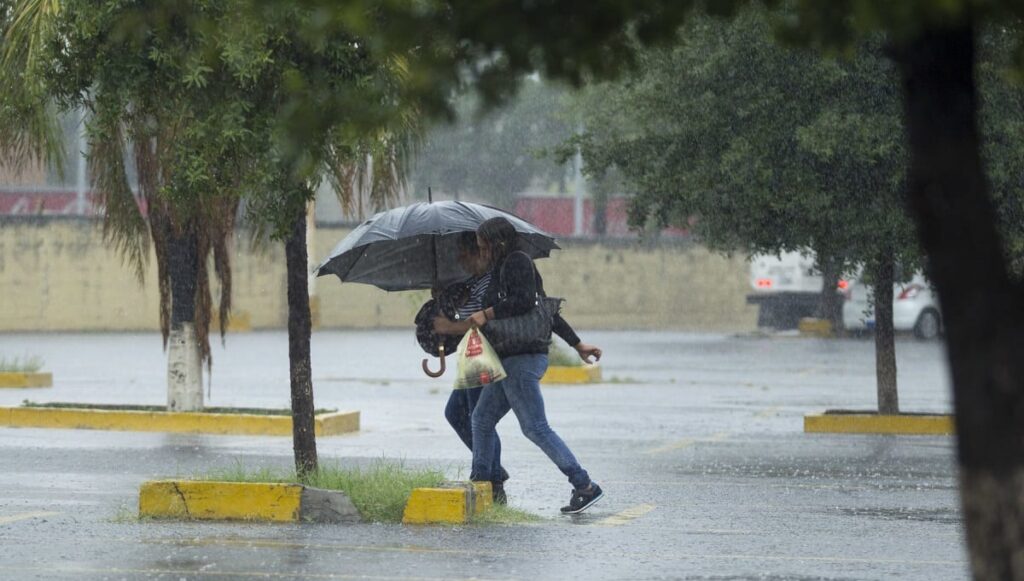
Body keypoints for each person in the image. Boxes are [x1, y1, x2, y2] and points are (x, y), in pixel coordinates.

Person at [433, 231, 597, 505]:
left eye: (484, 246)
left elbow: (525, 302)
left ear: (498, 243)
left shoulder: (518, 262)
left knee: (535, 427)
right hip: (507, 358)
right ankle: (484, 484)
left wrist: (486, 314)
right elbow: (545, 311)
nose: (482, 252)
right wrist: (578, 345)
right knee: (481, 419)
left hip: (523, 359)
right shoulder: (499, 271)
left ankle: (585, 485)